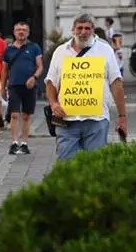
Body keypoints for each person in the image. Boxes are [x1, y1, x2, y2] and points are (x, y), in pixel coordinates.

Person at [45, 13, 128, 161]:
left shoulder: (104, 50)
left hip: (96, 119)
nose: (83, 32)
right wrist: (53, 104)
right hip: (66, 119)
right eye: (80, 28)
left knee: (95, 165)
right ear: (73, 30)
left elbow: (116, 83)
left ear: (93, 30)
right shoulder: (60, 52)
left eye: (87, 28)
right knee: (66, 166)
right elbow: (51, 82)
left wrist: (122, 117)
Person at [1, 22, 43, 156]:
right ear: (14, 32)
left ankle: (24, 142)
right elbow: (5, 70)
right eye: (18, 30)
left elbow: (40, 66)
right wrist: (2, 87)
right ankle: (14, 142)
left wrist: (34, 78)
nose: (21, 32)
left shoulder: (34, 47)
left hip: (29, 85)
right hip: (14, 85)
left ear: (28, 33)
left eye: (24, 30)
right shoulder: (8, 50)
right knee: (14, 114)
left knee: (26, 115)